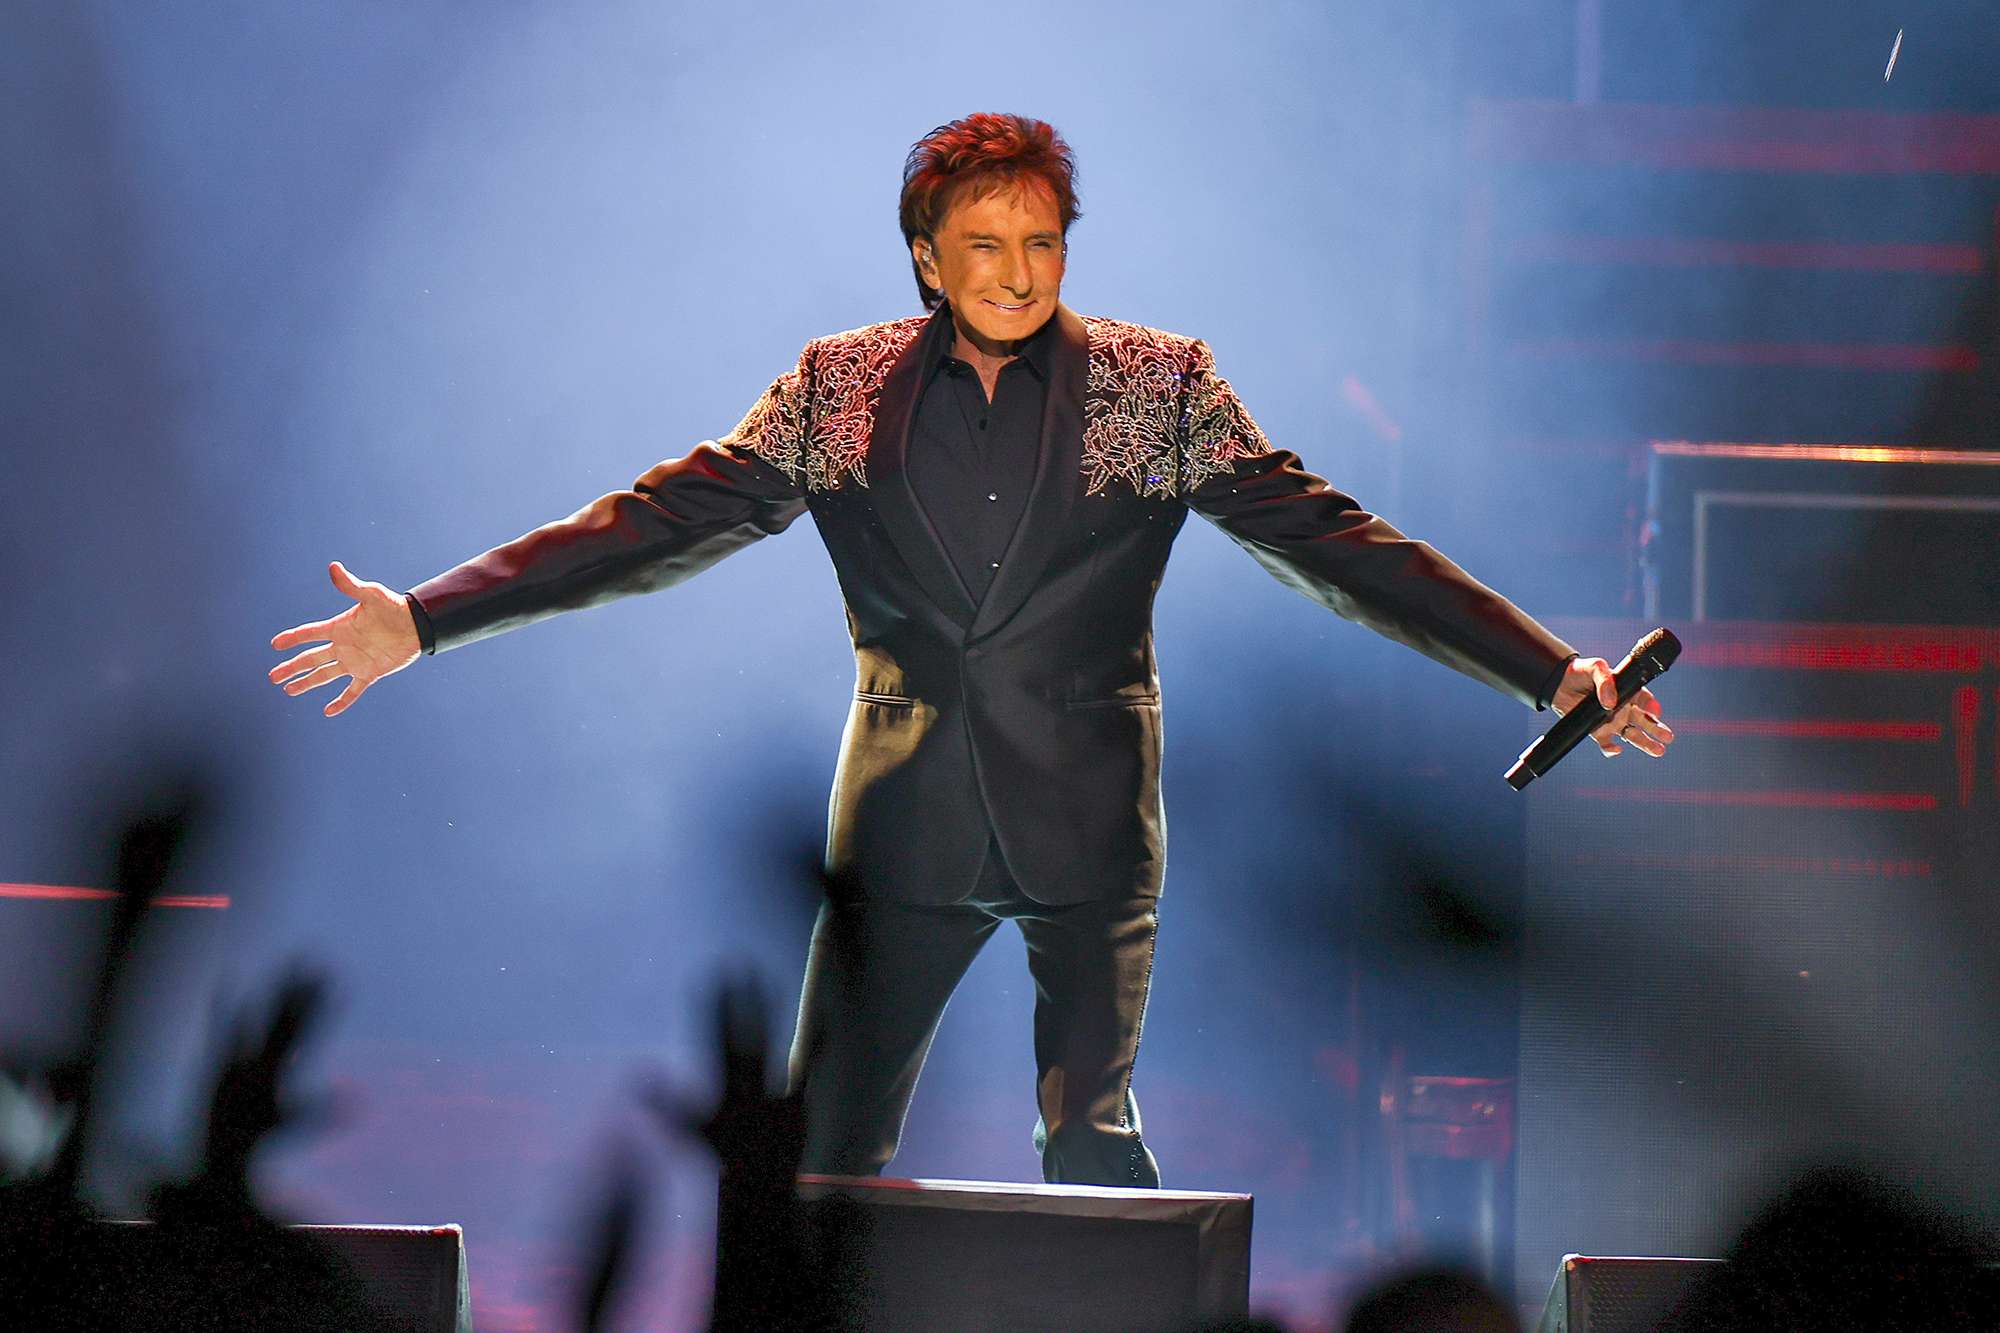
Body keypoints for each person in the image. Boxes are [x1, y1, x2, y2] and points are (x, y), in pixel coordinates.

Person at [269, 113, 1672, 1188]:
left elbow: (1339, 543)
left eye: (1042, 242)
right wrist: (426, 616)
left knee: (1092, 1143)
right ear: (926, 256)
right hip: (902, 817)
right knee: (827, 1147)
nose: (1016, 272)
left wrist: (1547, 669)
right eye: (985, 245)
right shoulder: (838, 388)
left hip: (1092, 812)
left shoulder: (1156, 385)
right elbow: (655, 523)